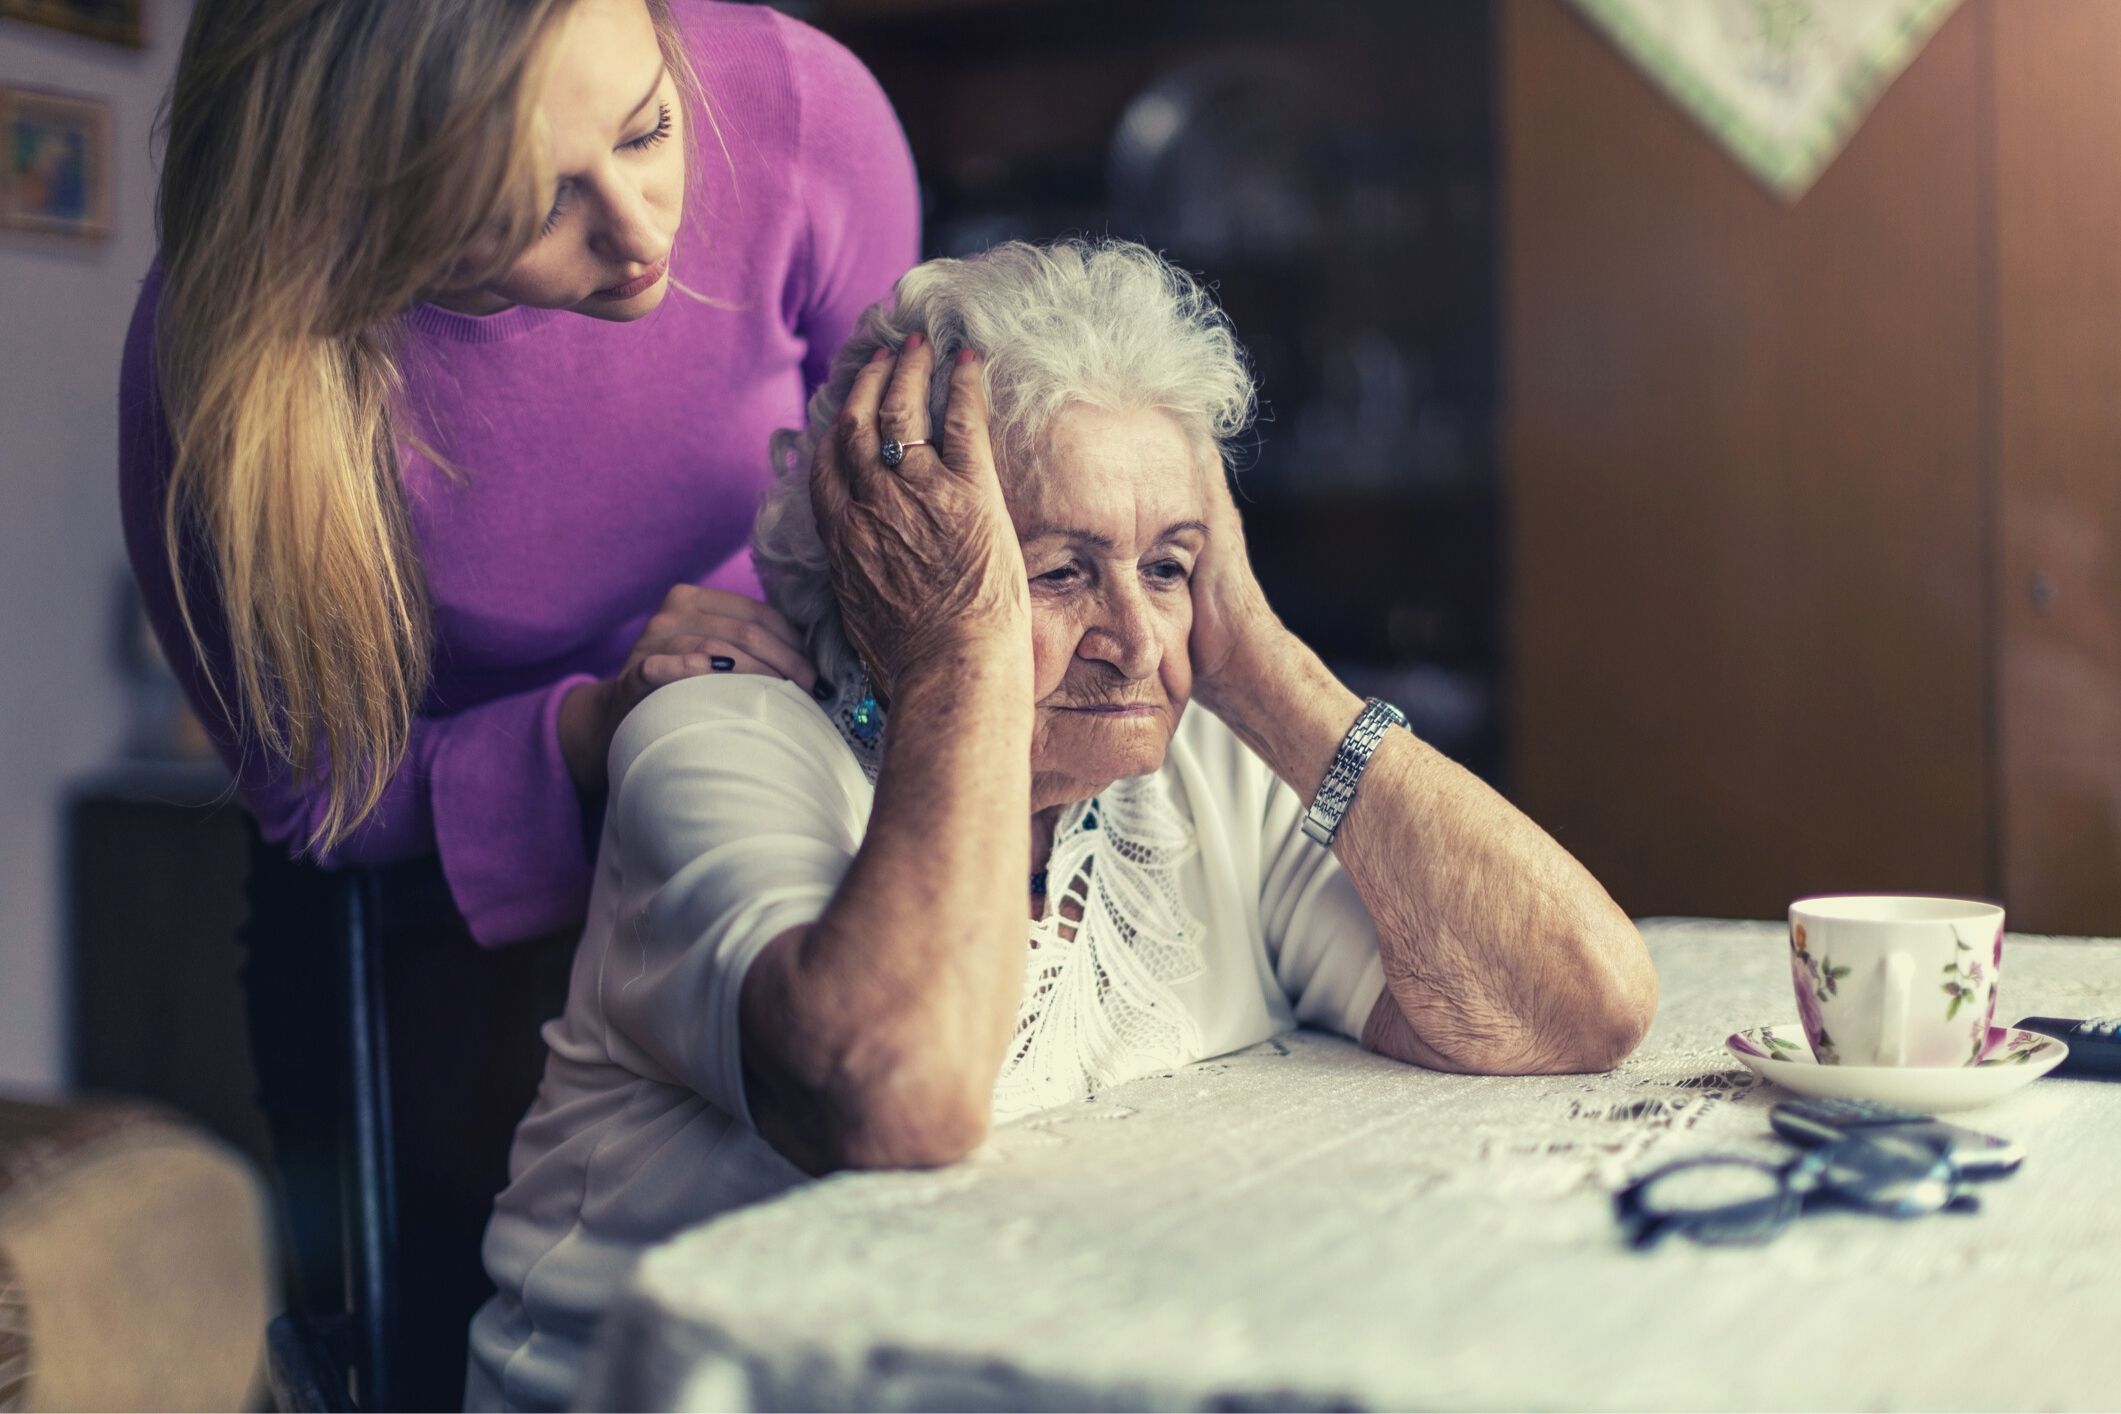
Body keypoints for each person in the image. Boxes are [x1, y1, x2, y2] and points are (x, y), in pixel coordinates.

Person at [467, 240, 1658, 1410]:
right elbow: (898, 1092)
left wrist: (1264, 667)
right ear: (895, 566)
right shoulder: (721, 738)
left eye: (1168, 568)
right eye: (1061, 572)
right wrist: (962, 645)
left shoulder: (1194, 764)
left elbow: (1577, 1002)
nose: (1137, 643)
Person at [117, 0, 916, 1399]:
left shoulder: (800, 108)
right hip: (411, 905)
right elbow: (312, 786)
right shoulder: (220, 359)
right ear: (352, 218)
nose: (642, 231)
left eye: (647, 130)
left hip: (763, 801)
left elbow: (896, 512)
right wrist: (592, 727)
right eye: (526, 205)